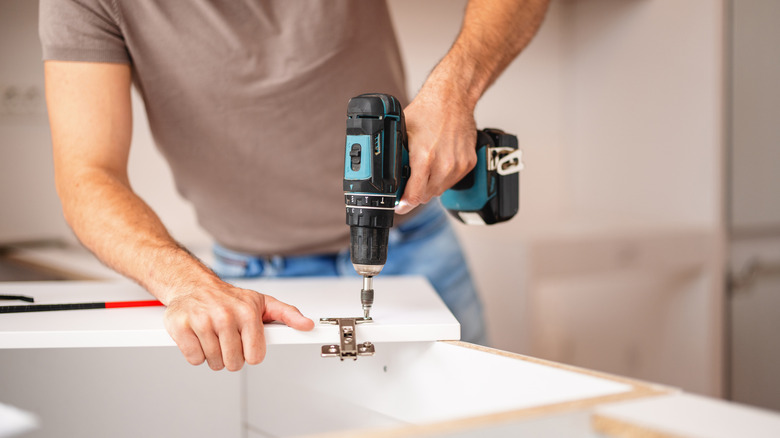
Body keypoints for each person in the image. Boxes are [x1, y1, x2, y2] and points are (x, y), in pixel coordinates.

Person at [40, 0, 549, 371]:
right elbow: (88, 175)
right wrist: (188, 284)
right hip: (254, 290)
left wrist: (455, 92)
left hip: (416, 244)